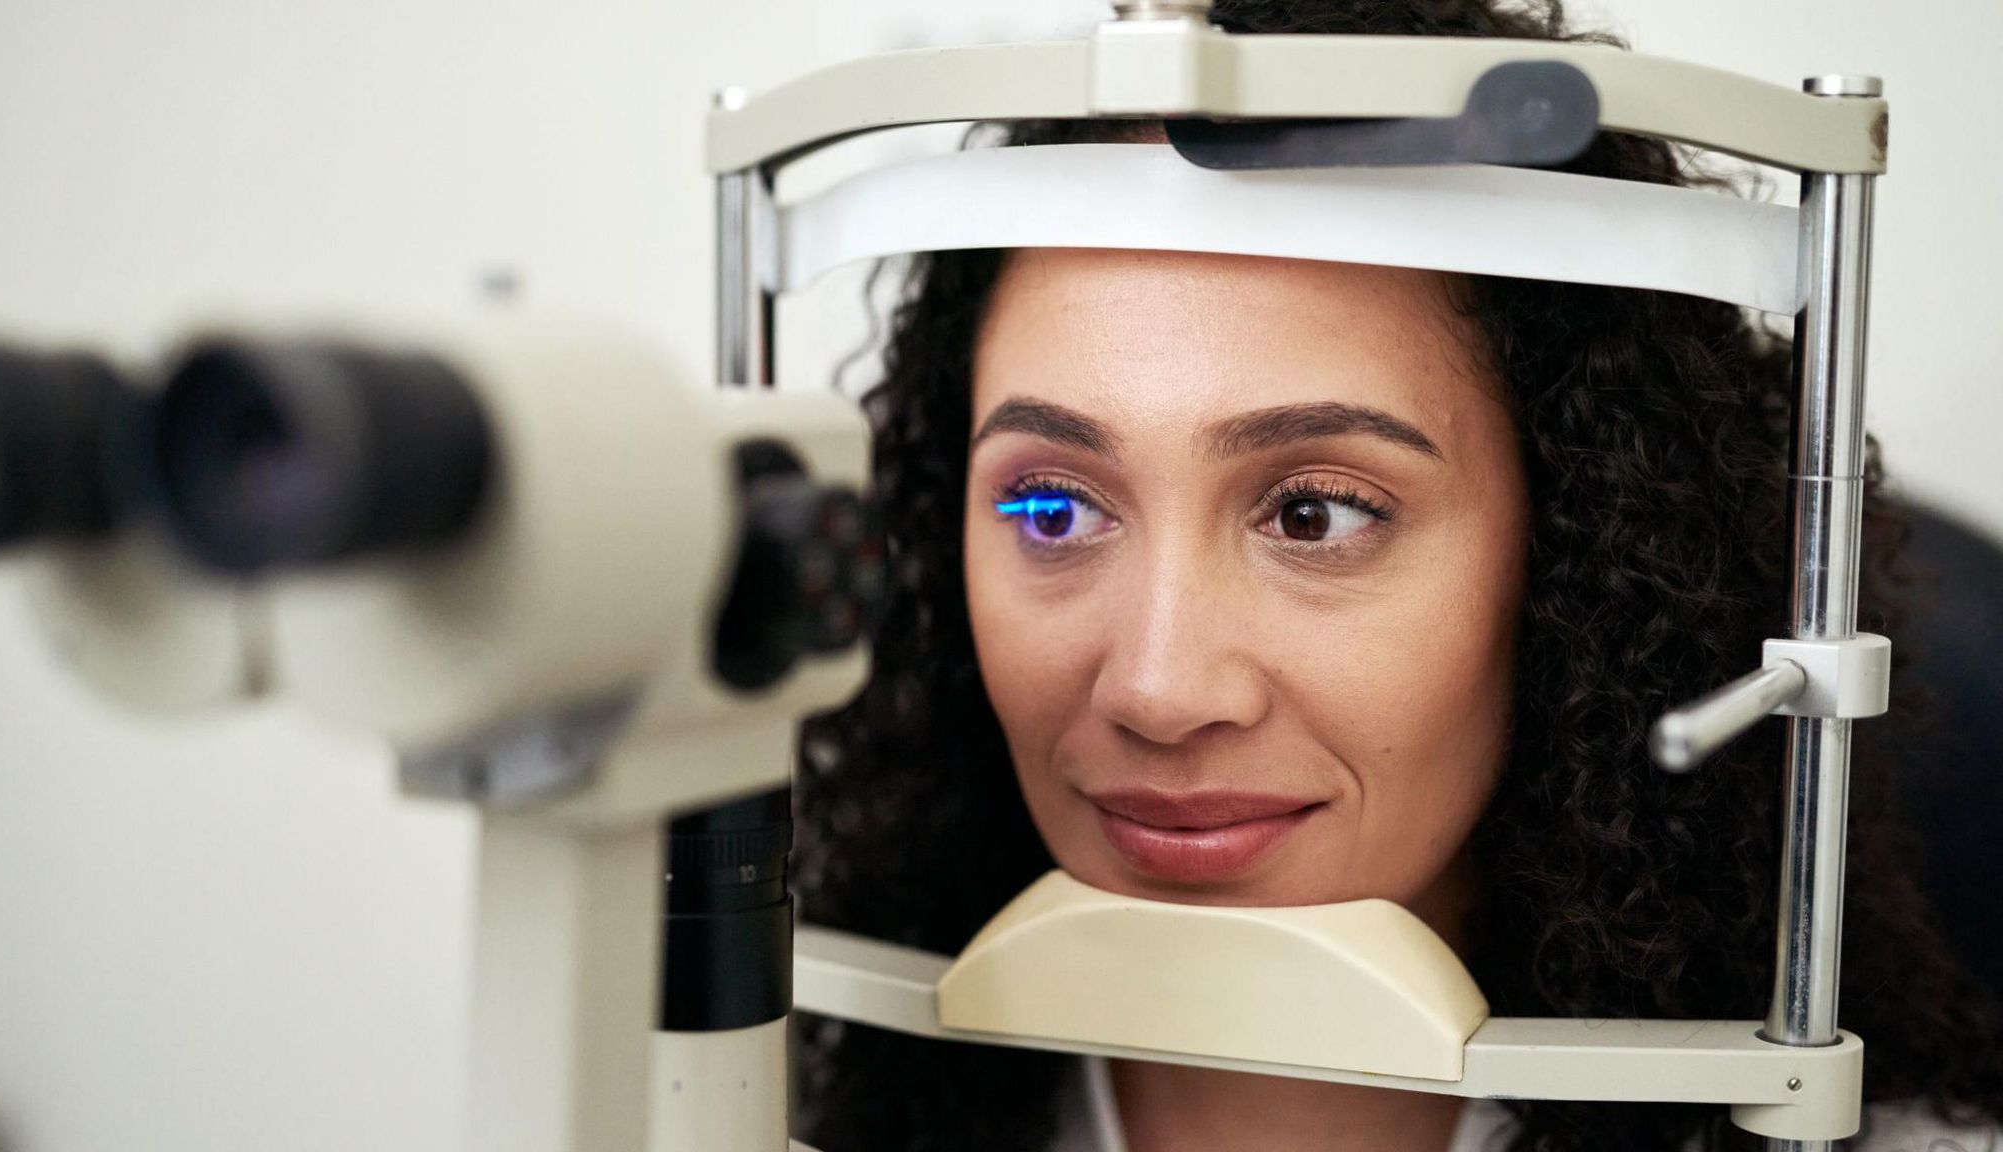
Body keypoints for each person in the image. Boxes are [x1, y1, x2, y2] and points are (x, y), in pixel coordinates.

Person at [789, 1, 2003, 1149]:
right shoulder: (756, 1101)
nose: (1157, 691)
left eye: (1314, 516)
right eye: (1051, 508)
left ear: (1573, 554)